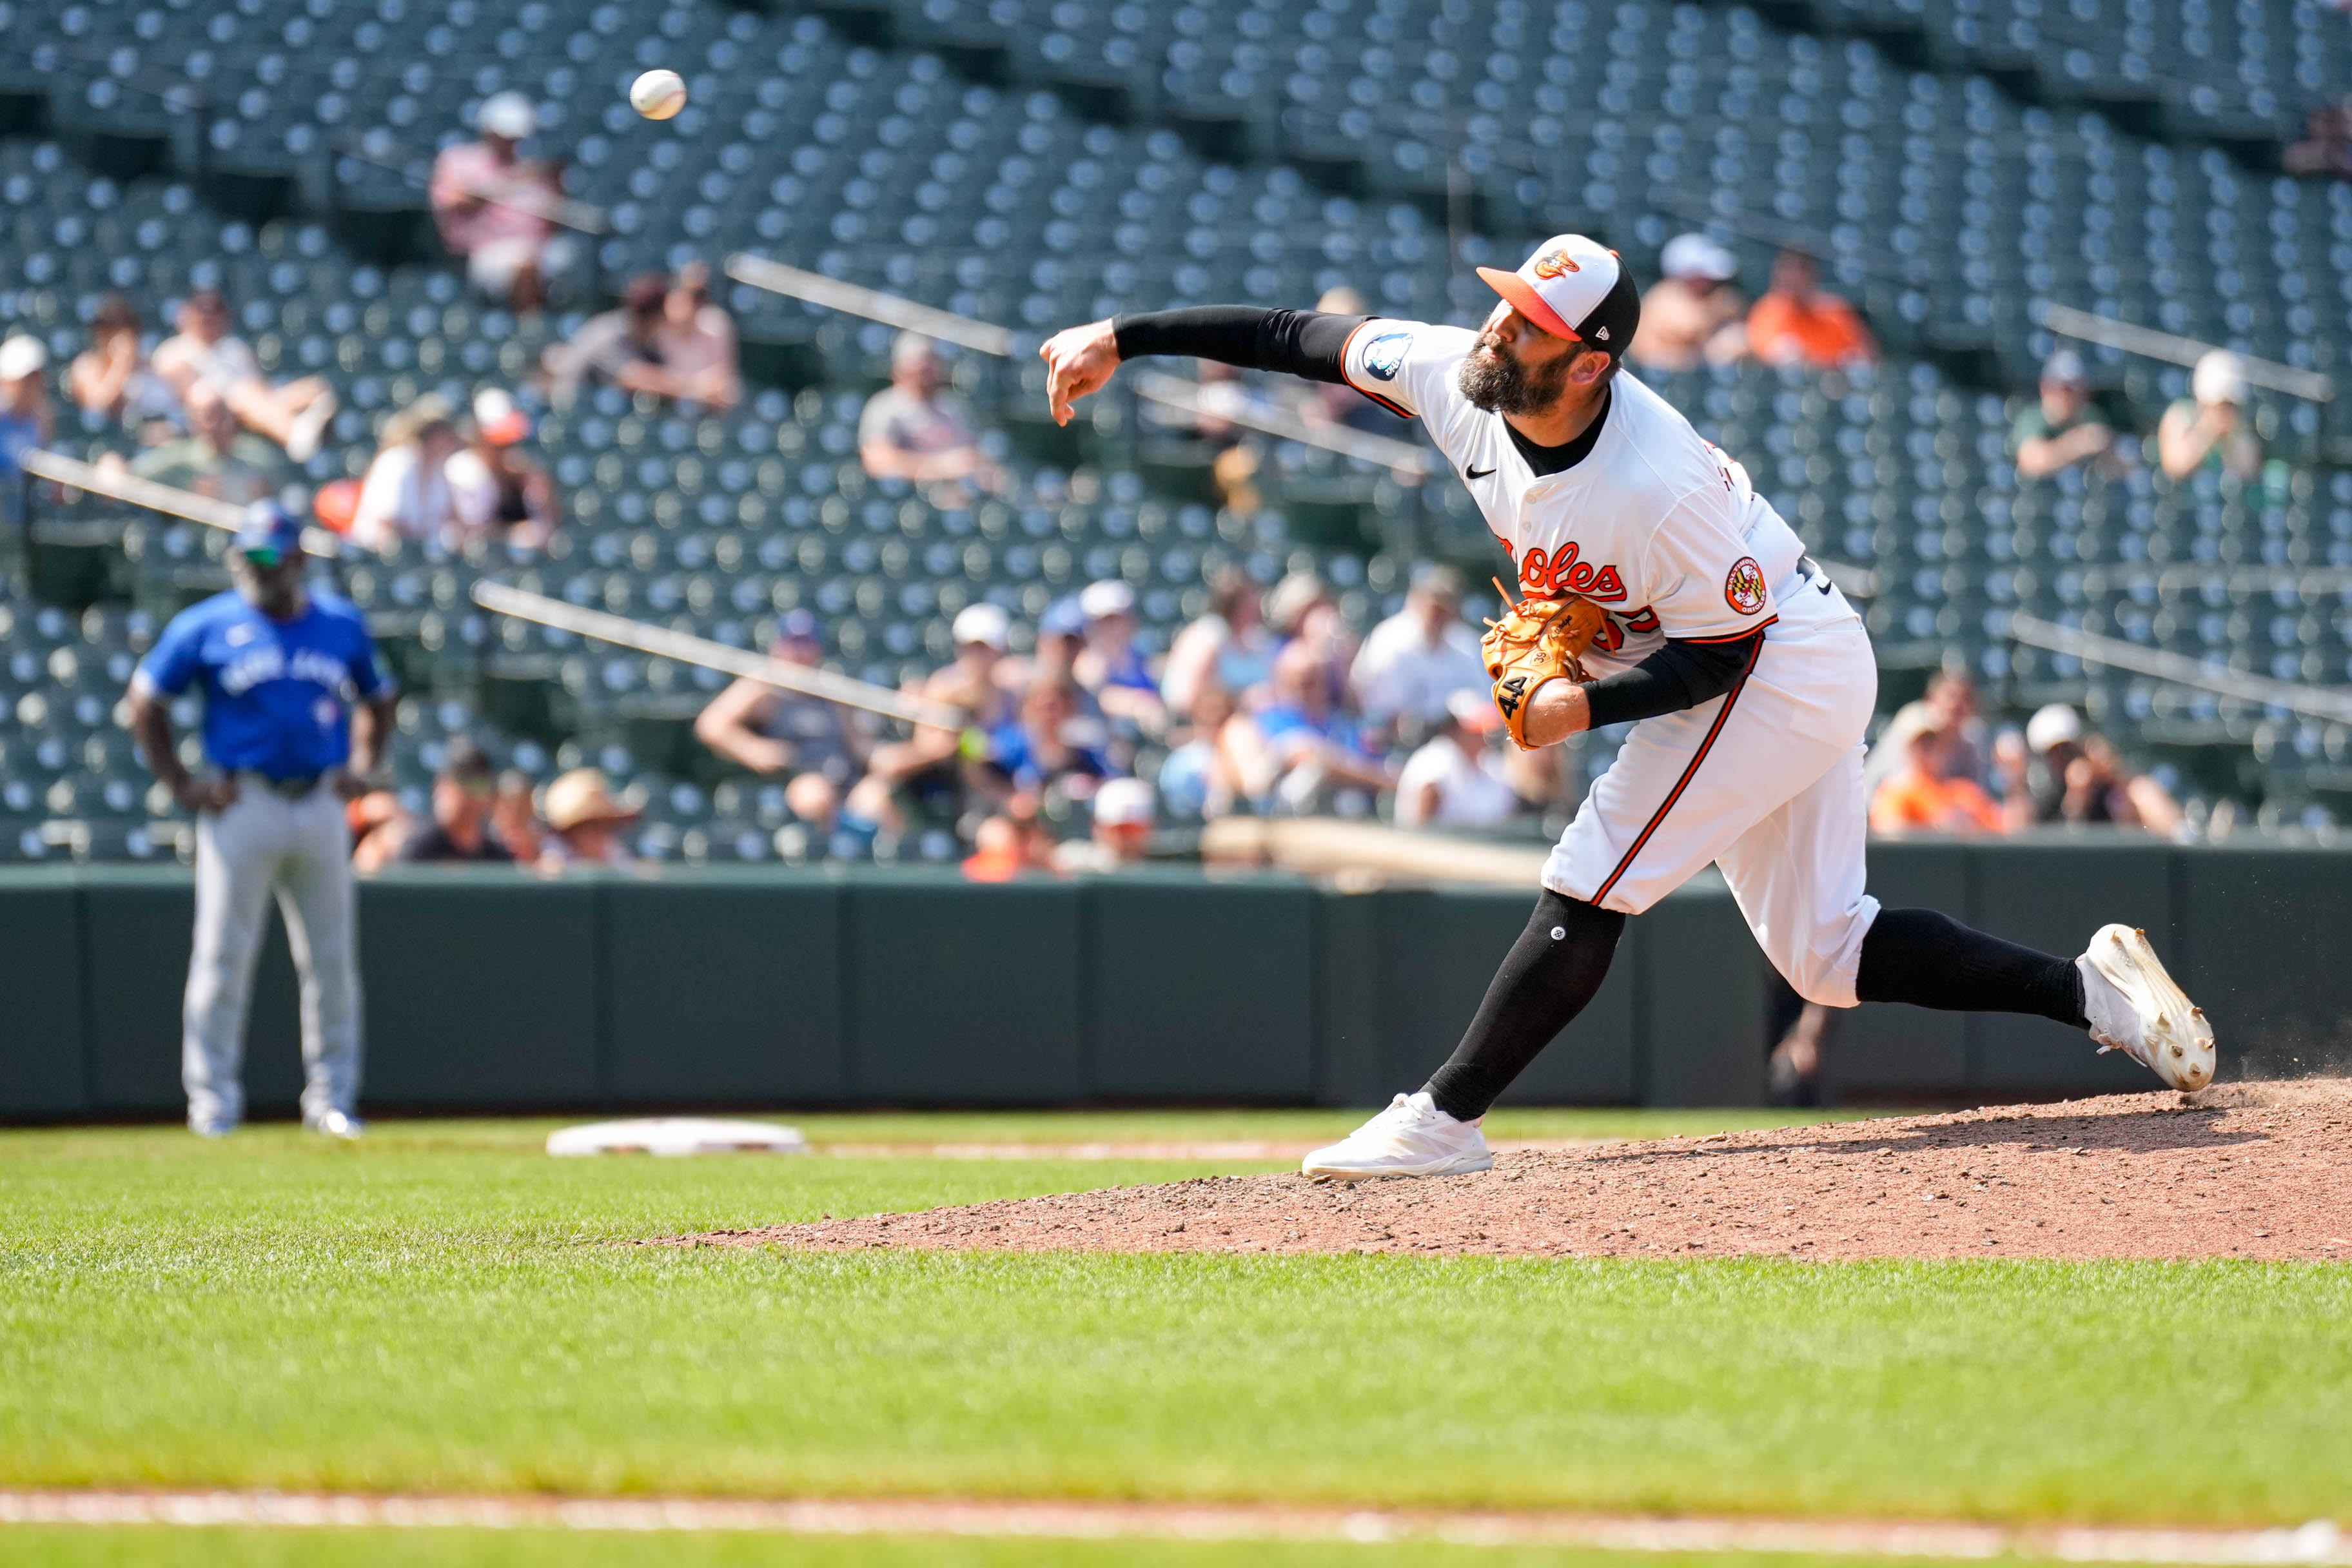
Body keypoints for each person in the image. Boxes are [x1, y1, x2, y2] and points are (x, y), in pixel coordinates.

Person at [1039, 228, 2215, 1181]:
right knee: (1823, 953)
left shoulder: (1651, 483)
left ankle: (1442, 1118)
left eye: (1530, 326)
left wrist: (1576, 713)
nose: (1499, 328)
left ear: (1590, 362)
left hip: (1776, 661)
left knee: (1594, 863)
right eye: (1505, 305)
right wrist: (1123, 338)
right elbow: (1299, 337)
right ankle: (2090, 988)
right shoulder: (1461, 377)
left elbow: (1722, 654)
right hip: (1768, 648)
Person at [123, 504, 395, 1139]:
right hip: (244, 800)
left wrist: (365, 765)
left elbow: (381, 697)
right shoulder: (207, 623)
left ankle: (333, 1099)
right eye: (245, 555)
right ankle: (213, 1104)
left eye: (267, 555)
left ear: (298, 559)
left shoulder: (338, 622)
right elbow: (144, 700)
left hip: (322, 798)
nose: (254, 566)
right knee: (222, 956)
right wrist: (183, 783)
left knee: (330, 961)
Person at [843, 602, 1016, 840]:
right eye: (970, 647)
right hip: (928, 787)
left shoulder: (1010, 693)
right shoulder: (942, 686)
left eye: (984, 648)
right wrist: (945, 746)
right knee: (870, 799)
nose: (976, 656)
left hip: (975, 797)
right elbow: (893, 760)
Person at [692, 609, 868, 836]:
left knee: (877, 798)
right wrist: (752, 748)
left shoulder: (831, 691)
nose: (799, 652)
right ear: (778, 646)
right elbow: (711, 724)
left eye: (806, 643)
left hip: (847, 780)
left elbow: (860, 745)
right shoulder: (766, 686)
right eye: (793, 643)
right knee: (815, 796)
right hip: (798, 778)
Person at [153, 289, 337, 461]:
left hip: (248, 411)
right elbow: (191, 396)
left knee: (314, 388)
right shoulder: (174, 351)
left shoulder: (235, 349)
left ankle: (303, 426)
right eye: (201, 312)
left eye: (215, 312)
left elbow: (263, 389)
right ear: (186, 316)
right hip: (205, 419)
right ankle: (293, 435)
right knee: (242, 393)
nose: (208, 318)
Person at [429, 91, 570, 311]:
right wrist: (512, 182)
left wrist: (557, 187)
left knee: (571, 259)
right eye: (504, 135)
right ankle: (531, 328)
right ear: (488, 131)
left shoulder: (533, 170)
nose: (509, 142)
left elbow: (552, 226)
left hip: (542, 250)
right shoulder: (459, 161)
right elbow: (455, 203)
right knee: (524, 264)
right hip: (484, 252)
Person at [1220, 640, 1394, 813]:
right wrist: (1379, 781)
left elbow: (1373, 760)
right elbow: (1306, 755)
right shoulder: (1266, 722)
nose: (1301, 692)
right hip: (1293, 825)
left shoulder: (1342, 725)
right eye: (1292, 683)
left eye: (1310, 683)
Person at [1349, 561, 1488, 729]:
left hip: (1455, 736)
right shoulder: (1391, 640)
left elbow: (1485, 702)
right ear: (1417, 601)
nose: (1442, 614)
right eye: (1436, 606)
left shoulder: (1465, 642)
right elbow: (1377, 710)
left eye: (1449, 604)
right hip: (1395, 737)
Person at [858, 331, 990, 491]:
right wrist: (940, 467)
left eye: (932, 362)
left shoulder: (953, 407)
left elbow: (973, 455)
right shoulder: (884, 407)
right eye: (920, 365)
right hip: (909, 500)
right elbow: (877, 461)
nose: (927, 371)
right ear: (900, 369)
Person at [120, 380, 288, 505]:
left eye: (220, 413)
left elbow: (288, 492)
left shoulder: (259, 456)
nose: (215, 423)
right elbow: (129, 479)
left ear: (231, 416)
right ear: (193, 421)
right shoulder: (176, 458)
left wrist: (266, 497)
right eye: (207, 415)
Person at [445, 387, 562, 548]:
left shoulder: (522, 472)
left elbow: (549, 527)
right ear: (479, 435)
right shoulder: (463, 470)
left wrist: (541, 494)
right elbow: (472, 532)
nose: (507, 448)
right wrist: (514, 532)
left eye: (510, 442)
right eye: (499, 443)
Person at [348, 398, 467, 554]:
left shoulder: (438, 467)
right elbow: (386, 522)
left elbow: (452, 517)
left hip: (416, 550)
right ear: (433, 436)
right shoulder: (398, 461)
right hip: (376, 551)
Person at [1395, 689, 1520, 830]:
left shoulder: (1491, 764)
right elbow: (1420, 828)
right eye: (1474, 731)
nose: (1483, 736)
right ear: (1453, 729)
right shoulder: (1434, 761)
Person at [1161, 565, 1274, 720]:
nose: (1258, 602)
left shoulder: (1256, 639)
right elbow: (1185, 700)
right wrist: (1240, 700)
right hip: (1215, 728)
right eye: (1251, 596)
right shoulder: (1208, 636)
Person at [542, 273, 671, 409]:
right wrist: (688, 385)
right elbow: (632, 378)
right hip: (572, 406)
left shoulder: (645, 339)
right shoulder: (609, 333)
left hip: (600, 406)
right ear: (655, 316)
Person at [68, 293, 181, 438]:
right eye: (111, 328)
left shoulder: (151, 364)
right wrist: (121, 365)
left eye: (127, 326)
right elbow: (98, 411)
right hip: (106, 443)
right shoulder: (86, 365)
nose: (121, 335)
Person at [1629, 233, 1747, 372]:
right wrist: (1719, 311)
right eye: (1702, 275)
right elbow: (1686, 329)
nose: (1710, 280)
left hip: (1693, 371)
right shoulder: (1666, 294)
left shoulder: (1712, 297)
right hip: (1657, 371)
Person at [1745, 248, 1875, 371]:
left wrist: (1820, 362)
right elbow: (1764, 357)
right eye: (1788, 268)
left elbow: (1865, 357)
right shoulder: (1766, 312)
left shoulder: (1835, 310)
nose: (1794, 276)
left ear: (1813, 274)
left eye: (1802, 269)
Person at [1868, 723, 2004, 836]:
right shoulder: (1895, 790)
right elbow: (1889, 833)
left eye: (1936, 743)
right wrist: (1935, 828)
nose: (1930, 750)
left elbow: (2000, 833)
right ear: (1907, 749)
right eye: (1922, 744)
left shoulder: (1964, 791)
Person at [1072, 578, 1167, 734]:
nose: (1113, 627)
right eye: (1105, 621)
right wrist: (1140, 705)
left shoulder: (1140, 661)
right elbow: (1098, 699)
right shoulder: (1086, 665)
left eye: (1119, 619)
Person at [397, 740, 515, 863]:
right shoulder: (420, 847)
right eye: (462, 782)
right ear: (440, 786)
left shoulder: (497, 856)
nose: (467, 795)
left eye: (477, 784)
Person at [2011, 351, 2121, 480]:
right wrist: (2076, 445)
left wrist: (2108, 447)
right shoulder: (2033, 418)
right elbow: (2031, 461)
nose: (2068, 396)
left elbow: (2120, 464)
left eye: (2075, 388)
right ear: (2045, 387)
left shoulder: (2091, 416)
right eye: (2064, 388)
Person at [2158, 350, 2262, 482]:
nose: (2223, 411)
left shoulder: (2240, 424)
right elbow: (2174, 466)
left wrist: (2231, 437)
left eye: (2229, 405)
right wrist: (2208, 432)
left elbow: (2249, 470)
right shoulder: (2181, 413)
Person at [652, 261, 740, 413]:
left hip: (713, 408)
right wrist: (692, 387)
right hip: (668, 407)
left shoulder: (715, 325)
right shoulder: (659, 329)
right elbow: (650, 379)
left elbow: (720, 383)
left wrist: (675, 385)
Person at [0, 335, 54, 533]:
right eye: (24, 381)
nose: (31, 386)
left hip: (25, 522)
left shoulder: (42, 418)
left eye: (35, 379)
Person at [538, 769, 639, 868]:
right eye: (590, 825)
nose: (600, 833)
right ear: (569, 832)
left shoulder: (612, 848)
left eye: (607, 824)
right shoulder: (554, 851)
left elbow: (629, 868)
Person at [1054, 776, 1157, 872]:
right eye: (1113, 829)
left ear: (1150, 826)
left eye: (1131, 829)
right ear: (1096, 826)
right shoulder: (1071, 861)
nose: (1121, 837)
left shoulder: (1163, 866)